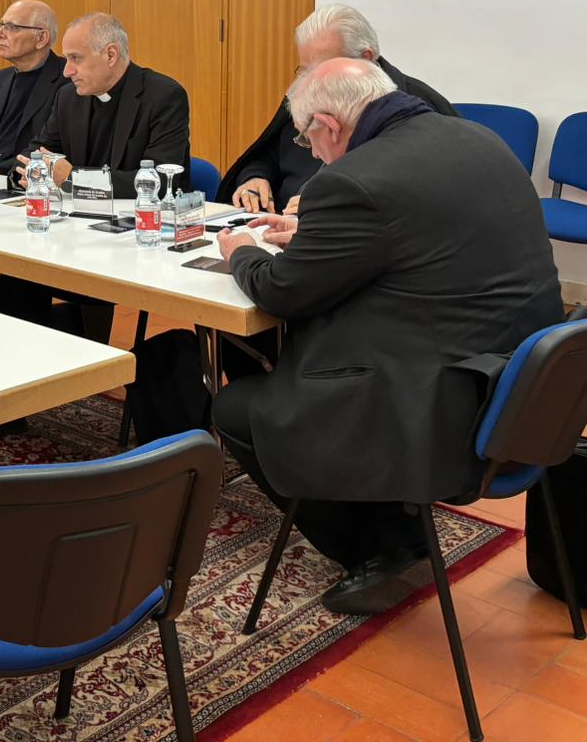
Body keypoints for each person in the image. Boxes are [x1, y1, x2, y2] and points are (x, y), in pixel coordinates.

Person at [214, 58, 560, 615]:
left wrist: (242, 252)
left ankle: (384, 547)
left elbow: (280, 292)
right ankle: (385, 514)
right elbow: (424, 228)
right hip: (522, 383)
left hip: (441, 404)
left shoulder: (355, 178)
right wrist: (318, 231)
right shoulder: (477, 139)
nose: (312, 153)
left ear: (328, 124)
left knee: (237, 406)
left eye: (307, 141)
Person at [219, 3, 457, 213]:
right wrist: (255, 178)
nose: (312, 80)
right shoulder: (307, 93)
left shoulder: (416, 108)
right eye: (305, 70)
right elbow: (269, 157)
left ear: (366, 57)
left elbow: (422, 199)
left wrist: (332, 207)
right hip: (276, 224)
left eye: (323, 66)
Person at [16, 12, 191, 197]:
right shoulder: (68, 97)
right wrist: (32, 172)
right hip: (77, 217)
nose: (67, 71)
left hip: (142, 218)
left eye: (75, 58)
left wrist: (73, 179)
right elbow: (32, 155)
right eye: (66, 59)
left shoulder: (163, 96)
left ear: (110, 55)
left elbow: (161, 181)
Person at [0, 0, 69, 174]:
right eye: (1, 25)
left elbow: (50, 148)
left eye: (12, 27)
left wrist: (0, 171)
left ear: (41, 38)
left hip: (25, 183)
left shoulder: (68, 81)